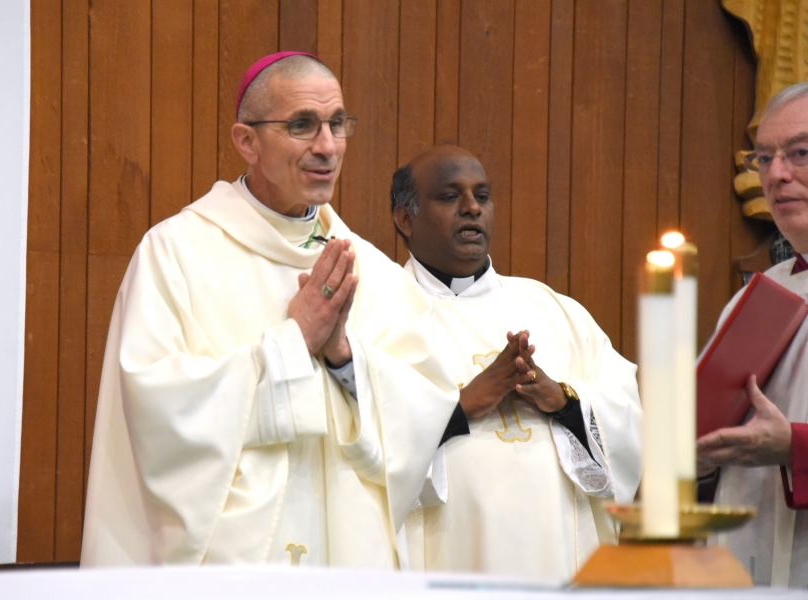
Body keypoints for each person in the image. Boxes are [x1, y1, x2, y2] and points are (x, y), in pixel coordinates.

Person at [80, 52, 458, 567]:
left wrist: (346, 357)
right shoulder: (177, 253)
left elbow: (425, 411)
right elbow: (156, 406)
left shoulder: (371, 270)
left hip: (347, 550)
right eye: (302, 125)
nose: (327, 146)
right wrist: (293, 341)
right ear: (247, 142)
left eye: (337, 124)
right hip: (234, 557)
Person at [390, 146, 642, 583]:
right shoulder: (381, 313)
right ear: (404, 219)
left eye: (482, 196)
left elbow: (627, 417)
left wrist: (563, 400)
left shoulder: (554, 309)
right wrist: (461, 407)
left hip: (556, 554)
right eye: (450, 196)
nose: (472, 208)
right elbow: (361, 437)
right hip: (446, 555)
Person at [697, 82, 808, 587]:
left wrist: (793, 447)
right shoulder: (754, 297)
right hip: (743, 557)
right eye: (763, 158)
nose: (776, 175)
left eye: (800, 153)